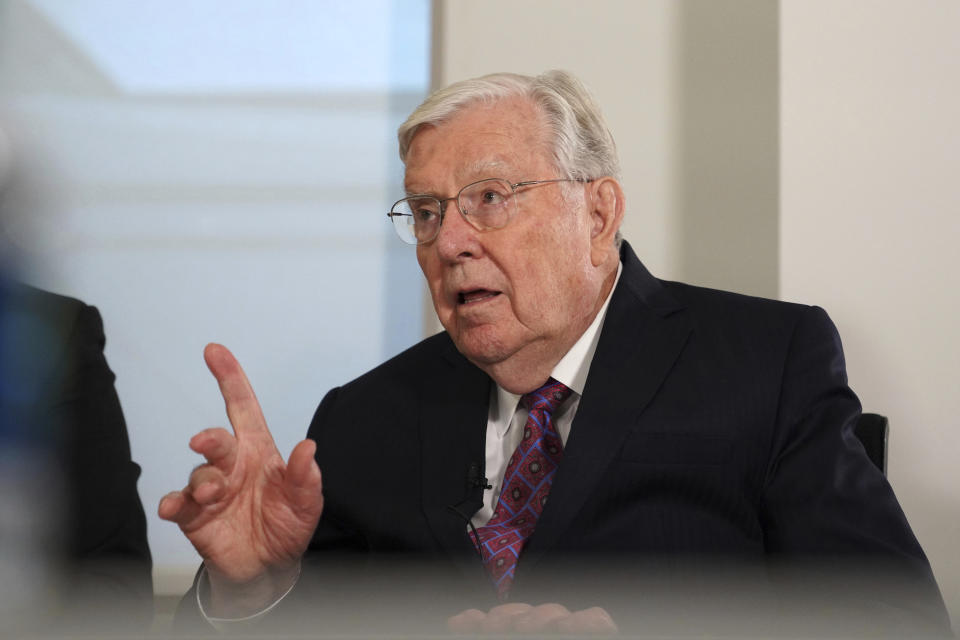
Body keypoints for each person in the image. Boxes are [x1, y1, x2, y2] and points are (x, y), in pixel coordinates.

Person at [160, 71, 949, 636]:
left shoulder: (765, 362)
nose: (452, 242)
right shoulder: (364, 417)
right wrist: (250, 590)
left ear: (598, 212)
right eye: (428, 213)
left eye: (490, 199)